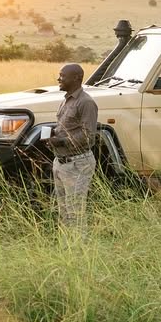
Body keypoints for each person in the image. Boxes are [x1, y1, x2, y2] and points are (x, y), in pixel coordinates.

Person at [49, 62, 98, 235]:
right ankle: (67, 248)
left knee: (75, 211)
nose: (59, 78)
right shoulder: (67, 100)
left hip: (77, 163)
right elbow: (67, 128)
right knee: (63, 210)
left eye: (62, 75)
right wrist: (52, 135)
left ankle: (80, 249)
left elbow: (88, 135)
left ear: (76, 78)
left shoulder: (86, 102)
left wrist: (61, 142)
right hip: (61, 163)